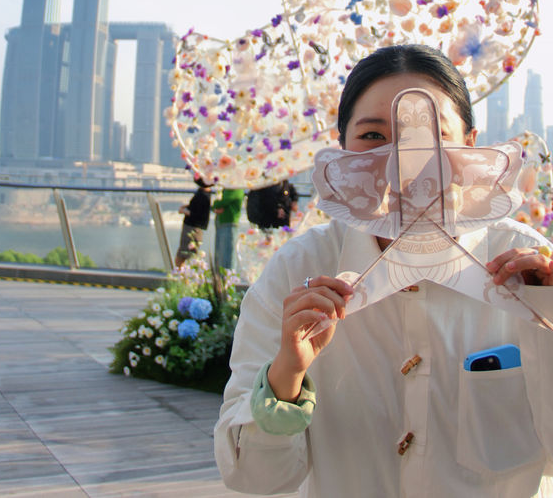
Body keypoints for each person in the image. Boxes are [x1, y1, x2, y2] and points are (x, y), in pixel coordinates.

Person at [215, 44, 553, 497]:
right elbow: (253, 477)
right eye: (374, 136)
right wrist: (284, 378)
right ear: (342, 151)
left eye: (432, 133)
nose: (404, 160)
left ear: (470, 145)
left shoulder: (529, 266)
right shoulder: (299, 271)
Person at [175, 177, 212, 268]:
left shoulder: (202, 195)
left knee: (182, 257)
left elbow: (196, 214)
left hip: (192, 228)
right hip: (194, 228)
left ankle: (183, 277)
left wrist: (183, 211)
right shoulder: (206, 193)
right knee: (185, 256)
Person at [214, 187, 245, 270]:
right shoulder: (228, 189)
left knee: (226, 260)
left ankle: (227, 281)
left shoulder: (235, 188)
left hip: (229, 224)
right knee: (219, 258)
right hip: (222, 223)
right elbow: (217, 205)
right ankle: (221, 280)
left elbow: (219, 203)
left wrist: (217, 204)